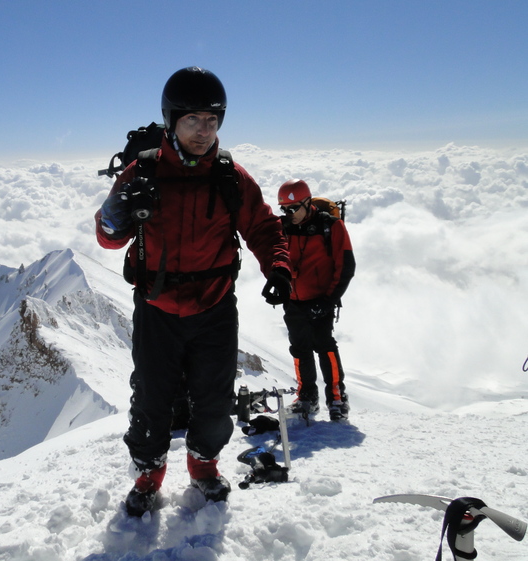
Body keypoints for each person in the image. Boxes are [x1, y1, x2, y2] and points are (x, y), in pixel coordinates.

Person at [95, 67, 292, 517]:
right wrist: (116, 207)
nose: (204, 131)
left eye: (213, 121)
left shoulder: (229, 177)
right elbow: (108, 236)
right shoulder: (140, 172)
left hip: (215, 306)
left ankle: (203, 467)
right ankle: (149, 475)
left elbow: (263, 228)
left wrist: (278, 268)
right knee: (151, 396)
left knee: (214, 396)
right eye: (193, 121)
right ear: (171, 121)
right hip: (157, 308)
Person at [277, 179, 356, 421]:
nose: (289, 214)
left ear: (307, 202)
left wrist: (330, 300)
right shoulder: (282, 227)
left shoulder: (330, 226)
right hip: (293, 300)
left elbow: (346, 266)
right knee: (300, 349)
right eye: (284, 209)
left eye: (293, 208)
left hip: (321, 300)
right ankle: (307, 397)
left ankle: (337, 398)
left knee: (325, 346)